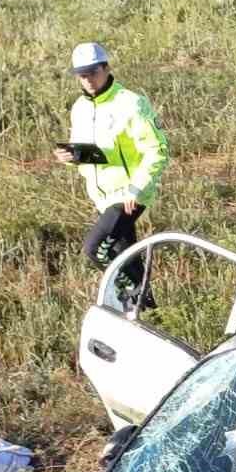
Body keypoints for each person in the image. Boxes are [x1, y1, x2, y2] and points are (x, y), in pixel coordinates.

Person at [54, 41, 169, 310]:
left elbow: (158, 150)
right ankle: (147, 310)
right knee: (125, 256)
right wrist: (72, 158)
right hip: (102, 197)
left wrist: (136, 188)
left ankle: (127, 299)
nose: (88, 80)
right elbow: (92, 154)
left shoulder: (131, 103)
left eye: (93, 72)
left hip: (129, 195)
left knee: (95, 249)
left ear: (106, 68)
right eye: (82, 75)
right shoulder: (80, 108)